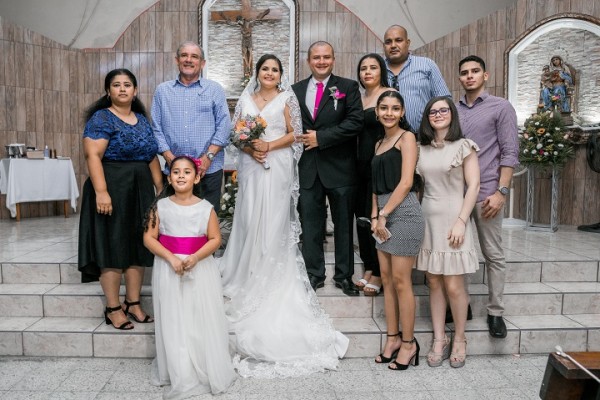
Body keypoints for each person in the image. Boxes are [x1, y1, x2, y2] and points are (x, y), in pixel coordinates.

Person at [219, 54, 349, 378]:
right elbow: (237, 134)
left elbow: (296, 133)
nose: (269, 73)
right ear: (257, 72)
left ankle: (270, 266)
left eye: (275, 70)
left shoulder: (286, 98)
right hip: (251, 166)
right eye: (265, 69)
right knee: (249, 218)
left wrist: (269, 145)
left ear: (281, 75)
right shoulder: (246, 99)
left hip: (276, 166)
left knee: (274, 219)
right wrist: (252, 149)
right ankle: (246, 270)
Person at [144, 156, 237, 397]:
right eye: (176, 172)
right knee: (174, 317)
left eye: (187, 172)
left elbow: (215, 239)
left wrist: (195, 257)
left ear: (197, 178)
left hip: (199, 269)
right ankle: (178, 367)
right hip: (168, 268)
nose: (181, 176)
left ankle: (202, 362)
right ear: (169, 177)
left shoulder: (206, 208)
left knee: (198, 315)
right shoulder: (159, 207)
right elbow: (149, 238)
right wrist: (172, 258)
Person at [78, 68, 163, 330]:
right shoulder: (101, 118)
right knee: (112, 247)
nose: (123, 89)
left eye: (128, 84)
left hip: (140, 189)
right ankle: (113, 307)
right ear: (108, 91)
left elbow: (151, 156)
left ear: (135, 91)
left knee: (138, 246)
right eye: (116, 85)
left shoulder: (142, 119)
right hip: (111, 186)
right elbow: (93, 156)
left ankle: (134, 303)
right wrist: (102, 191)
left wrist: (161, 190)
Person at [292, 41, 364, 296]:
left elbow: (355, 122)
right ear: (308, 60)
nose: (321, 61)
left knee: (344, 225)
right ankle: (314, 273)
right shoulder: (295, 90)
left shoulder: (347, 87)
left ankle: (344, 276)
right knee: (310, 225)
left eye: (326, 57)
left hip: (341, 169)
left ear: (333, 59)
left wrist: (321, 138)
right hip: (308, 169)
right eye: (316, 57)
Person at [456, 55, 519, 339]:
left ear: (486, 75)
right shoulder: (452, 109)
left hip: (486, 195)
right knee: (458, 253)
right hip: (456, 195)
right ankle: (461, 304)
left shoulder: (501, 107)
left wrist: (501, 191)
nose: (469, 76)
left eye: (475, 71)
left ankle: (496, 312)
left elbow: (509, 152)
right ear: (459, 78)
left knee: (493, 254)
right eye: (464, 73)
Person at [416, 97, 480, 368]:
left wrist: (461, 221)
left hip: (454, 218)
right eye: (433, 111)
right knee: (433, 282)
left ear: (452, 114)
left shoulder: (464, 146)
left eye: (443, 110)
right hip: (428, 219)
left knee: (454, 284)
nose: (438, 114)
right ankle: (439, 338)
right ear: (427, 117)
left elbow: (474, 186)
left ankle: (460, 338)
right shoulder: (420, 149)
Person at [371, 90, 424, 371]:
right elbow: (375, 185)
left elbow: (405, 183)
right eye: (384, 108)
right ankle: (392, 339)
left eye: (395, 108)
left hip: (403, 214)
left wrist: (383, 213)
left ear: (402, 112)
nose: (389, 113)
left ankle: (409, 343)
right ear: (377, 112)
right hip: (381, 217)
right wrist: (373, 216)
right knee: (388, 281)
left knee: (402, 282)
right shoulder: (379, 142)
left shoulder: (407, 138)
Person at [151, 41, 230, 210]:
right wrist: (170, 158)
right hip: (174, 172)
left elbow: (224, 126)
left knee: (207, 221)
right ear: (176, 60)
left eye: (194, 56)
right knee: (173, 221)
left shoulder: (214, 89)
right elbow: (156, 128)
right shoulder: (162, 91)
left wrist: (207, 158)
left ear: (202, 63)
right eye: (184, 55)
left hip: (207, 170)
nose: (189, 60)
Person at [354, 53, 393, 296]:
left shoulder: (388, 96)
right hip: (358, 167)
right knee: (362, 219)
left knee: (376, 218)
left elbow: (400, 129)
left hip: (378, 167)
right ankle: (368, 267)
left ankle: (379, 272)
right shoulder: (359, 98)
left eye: (373, 67)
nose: (367, 72)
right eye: (363, 68)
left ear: (381, 71)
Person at [383, 25, 451, 132]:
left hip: (424, 139)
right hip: (387, 140)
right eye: (388, 42)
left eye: (398, 40)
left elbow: (445, 101)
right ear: (384, 46)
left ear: (408, 43)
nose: (393, 45)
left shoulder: (426, 65)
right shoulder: (377, 69)